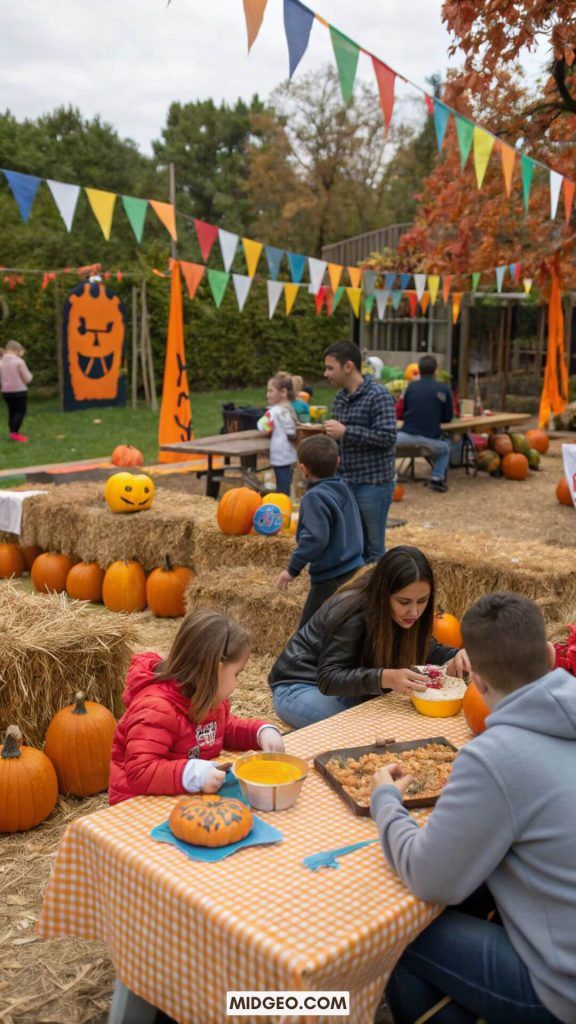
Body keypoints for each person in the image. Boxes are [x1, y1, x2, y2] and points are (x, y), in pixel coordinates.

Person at [371, 592, 576, 1024]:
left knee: (394, 930)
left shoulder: (494, 758)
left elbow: (430, 878)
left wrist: (386, 800)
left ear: (476, 681)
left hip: (559, 991)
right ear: (548, 654)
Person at [269, 545, 470, 729]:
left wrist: (454, 656)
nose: (415, 612)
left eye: (422, 601)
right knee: (367, 732)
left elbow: (426, 648)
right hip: (299, 687)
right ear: (384, 593)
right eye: (404, 601)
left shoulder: (409, 614)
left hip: (347, 690)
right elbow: (329, 678)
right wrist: (387, 677)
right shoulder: (353, 613)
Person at [109, 608, 284, 805]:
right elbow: (141, 772)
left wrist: (260, 732)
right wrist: (194, 774)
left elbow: (224, 729)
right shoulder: (155, 709)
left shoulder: (208, 699)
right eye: (237, 674)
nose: (236, 682)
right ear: (216, 670)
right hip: (139, 804)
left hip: (180, 794)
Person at [275, 434, 364, 626]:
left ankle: (300, 658)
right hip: (355, 568)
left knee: (309, 632)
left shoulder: (314, 497)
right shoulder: (344, 488)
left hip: (330, 577)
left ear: (303, 469)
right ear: (338, 462)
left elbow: (315, 537)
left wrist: (292, 570)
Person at [323, 341, 397, 562]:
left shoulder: (379, 395)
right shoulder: (340, 398)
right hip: (345, 481)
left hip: (373, 484)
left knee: (374, 549)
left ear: (348, 367)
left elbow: (387, 438)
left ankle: (378, 594)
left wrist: (346, 432)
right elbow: (338, 439)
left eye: (330, 368)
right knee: (353, 544)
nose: (325, 373)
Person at [396, 353, 453, 493]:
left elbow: (401, 412)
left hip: (405, 436)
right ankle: (437, 478)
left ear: (418, 370)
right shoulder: (444, 389)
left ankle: (389, 476)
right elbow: (448, 417)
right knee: (446, 447)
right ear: (436, 370)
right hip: (430, 438)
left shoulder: (410, 387)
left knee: (387, 442)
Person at [257, 372, 299, 496]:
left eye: (271, 391)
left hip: (280, 456)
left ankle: (282, 507)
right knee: (287, 482)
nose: (267, 395)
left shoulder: (273, 412)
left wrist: (259, 424)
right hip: (290, 454)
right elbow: (291, 431)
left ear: (283, 392)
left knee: (282, 487)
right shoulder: (289, 408)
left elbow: (263, 427)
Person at [1, 339, 33, 442]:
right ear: (17, 350)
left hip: (6, 391)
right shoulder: (19, 362)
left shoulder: (1, 362)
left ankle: (12, 431)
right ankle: (15, 433)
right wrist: (30, 377)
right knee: (20, 411)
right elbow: (27, 378)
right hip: (19, 390)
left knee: (12, 411)